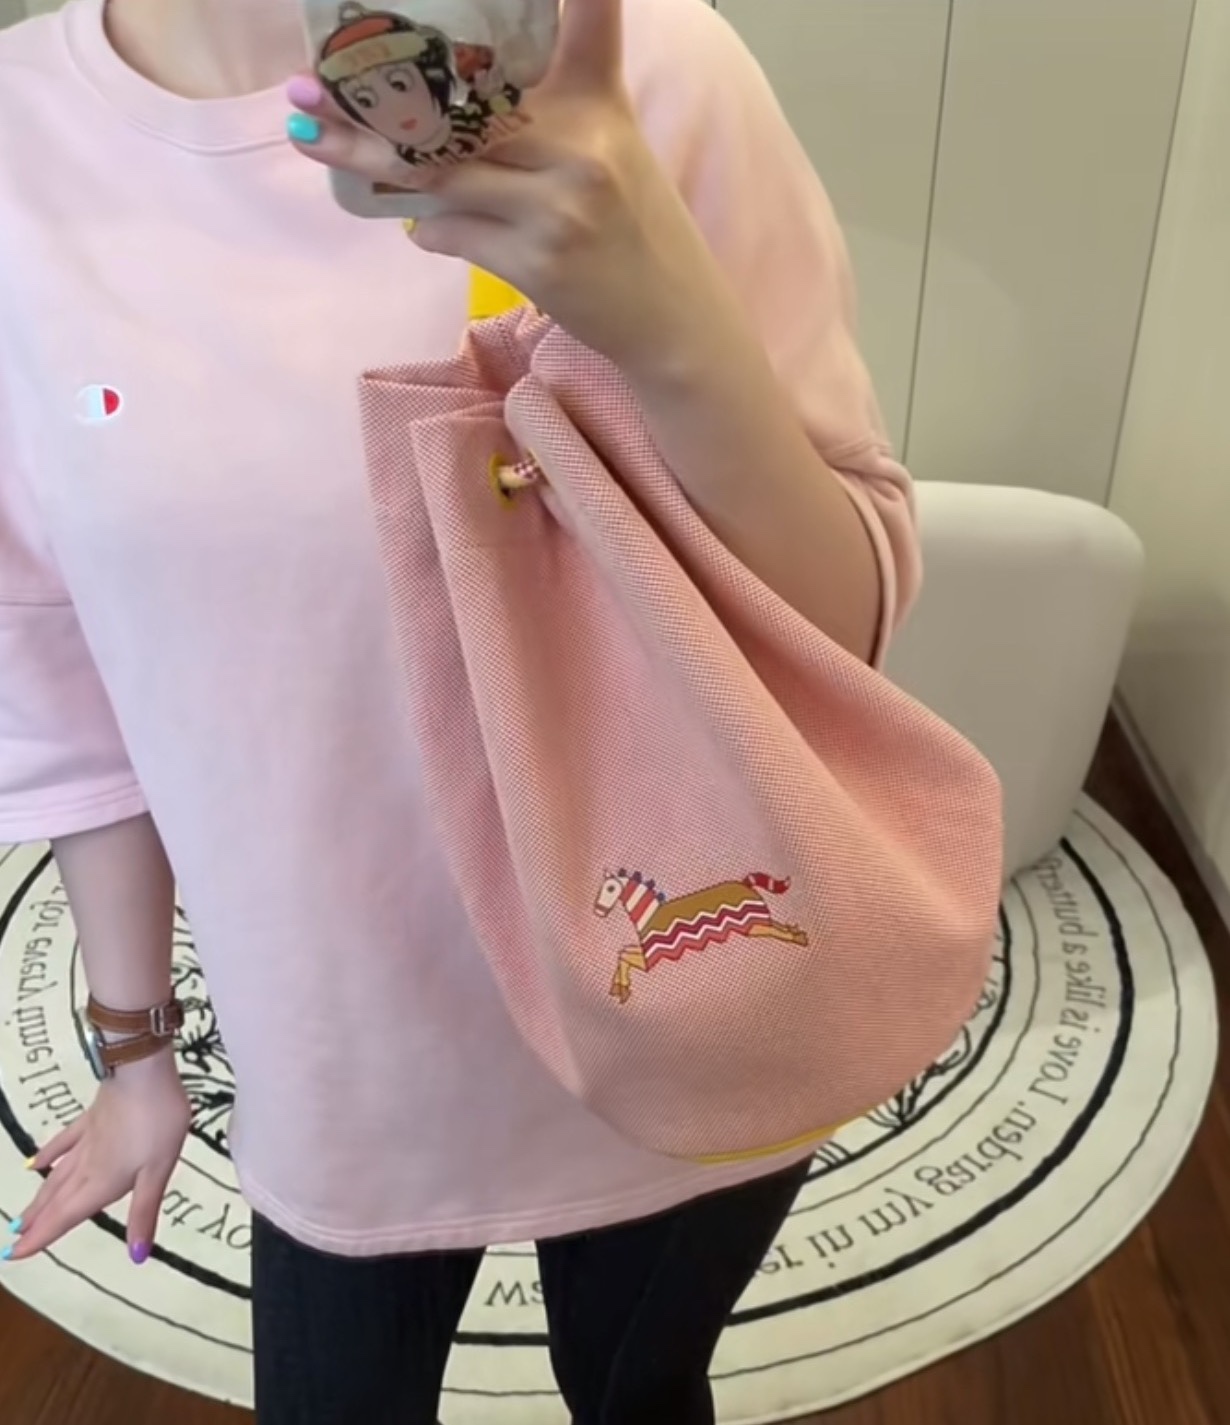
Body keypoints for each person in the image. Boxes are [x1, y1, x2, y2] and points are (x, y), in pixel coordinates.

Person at [0, 0, 920, 1421]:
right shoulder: (23, 142)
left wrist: (659, 312)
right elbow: (60, 672)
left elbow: (842, 624)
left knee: (639, 1393)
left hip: (687, 974)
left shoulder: (639, 61)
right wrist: (136, 1056)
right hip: (339, 1046)